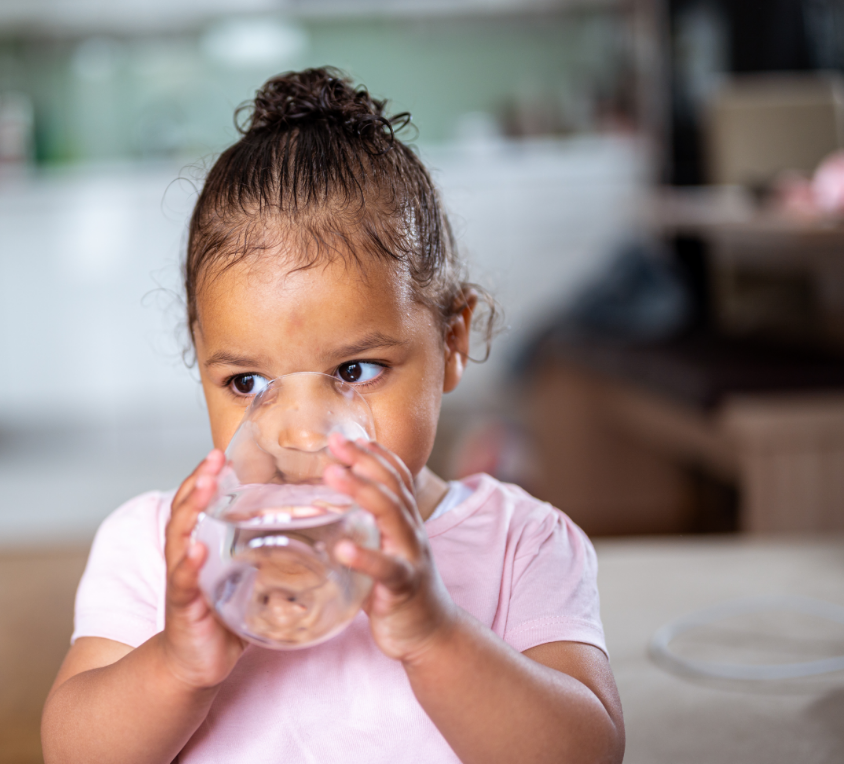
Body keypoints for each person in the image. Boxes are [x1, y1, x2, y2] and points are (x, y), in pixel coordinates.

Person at [41, 67, 625, 764]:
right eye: (246, 380)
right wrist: (176, 663)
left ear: (452, 341)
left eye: (354, 371)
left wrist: (435, 635)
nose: (297, 432)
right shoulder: (160, 549)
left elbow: (586, 754)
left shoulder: (519, 545)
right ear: (199, 360)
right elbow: (73, 752)